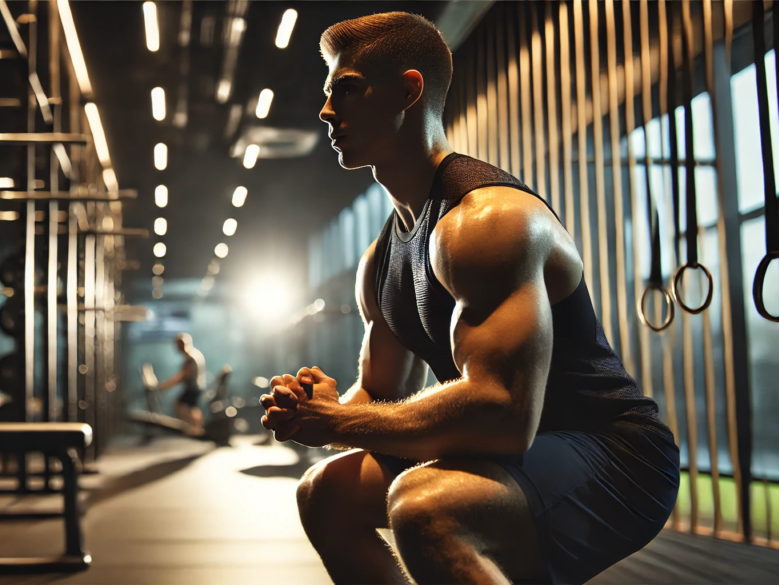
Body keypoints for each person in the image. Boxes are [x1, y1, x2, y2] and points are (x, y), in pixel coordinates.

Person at [259, 12, 679, 585]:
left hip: (612, 455)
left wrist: (333, 421)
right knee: (325, 492)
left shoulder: (487, 222)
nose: (326, 112)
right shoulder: (381, 258)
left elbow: (502, 413)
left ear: (410, 90)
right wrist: (323, 407)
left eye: (347, 90)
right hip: (515, 449)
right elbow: (380, 396)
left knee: (425, 504)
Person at [157, 333, 206, 436]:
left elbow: (183, 375)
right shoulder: (193, 354)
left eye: (178, 345)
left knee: (184, 405)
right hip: (196, 386)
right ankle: (195, 429)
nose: (177, 348)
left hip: (193, 387)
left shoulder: (190, 357)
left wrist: (165, 386)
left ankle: (194, 429)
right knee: (191, 407)